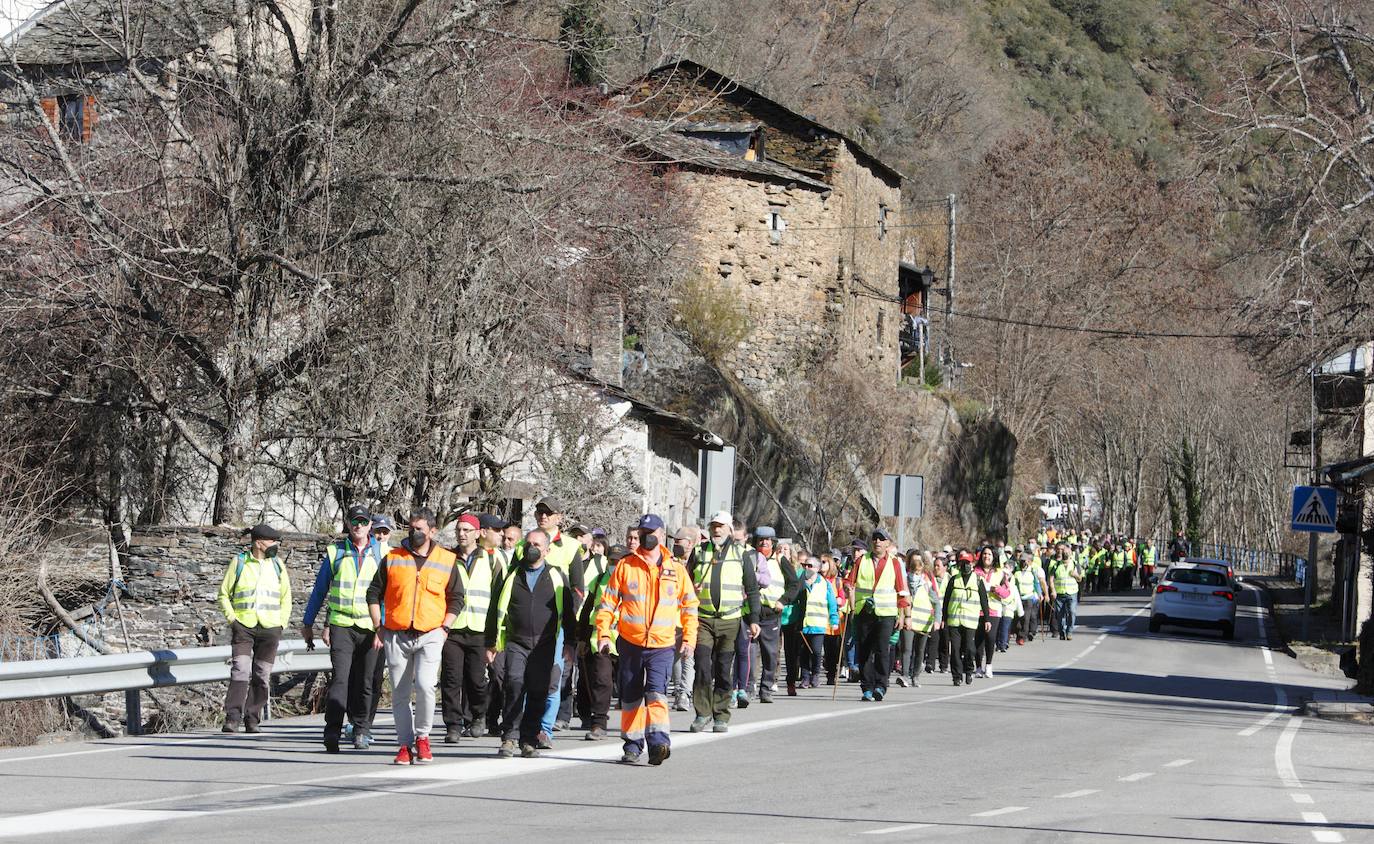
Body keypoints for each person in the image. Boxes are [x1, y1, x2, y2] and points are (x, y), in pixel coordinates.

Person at [595, 513, 699, 766]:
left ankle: (658, 743)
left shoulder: (676, 569)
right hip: (630, 642)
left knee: (656, 694)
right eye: (642, 533)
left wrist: (689, 639)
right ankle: (632, 745)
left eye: (651, 533)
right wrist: (604, 635)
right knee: (630, 697)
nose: (646, 537)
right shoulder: (626, 565)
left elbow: (689, 607)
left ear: (662, 534)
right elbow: (608, 603)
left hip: (662, 645)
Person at [365, 508, 464, 766]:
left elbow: (457, 598)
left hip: (431, 633)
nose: (414, 532)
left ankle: (423, 737)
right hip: (397, 634)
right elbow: (373, 593)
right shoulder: (393, 558)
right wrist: (379, 626)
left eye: (419, 528)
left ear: (432, 531)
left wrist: (445, 628)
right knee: (400, 693)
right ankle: (404, 745)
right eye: (411, 527)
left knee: (425, 686)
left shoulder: (446, 560)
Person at [486, 528, 575, 759]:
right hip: (516, 642)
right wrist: (490, 643)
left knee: (538, 690)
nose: (531, 548)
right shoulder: (512, 575)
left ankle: (529, 739)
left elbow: (568, 613)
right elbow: (495, 608)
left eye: (537, 544)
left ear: (546, 550)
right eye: (528, 543)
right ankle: (509, 737)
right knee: (514, 685)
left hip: (545, 644)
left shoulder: (556, 576)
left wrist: (571, 643)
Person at [301, 504, 384, 752]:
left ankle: (361, 730)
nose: (358, 526)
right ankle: (332, 732)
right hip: (342, 624)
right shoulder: (336, 552)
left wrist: (384, 626)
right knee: (341, 679)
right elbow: (319, 590)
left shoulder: (382, 553)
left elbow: (389, 594)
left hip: (371, 627)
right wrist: (308, 623)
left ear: (370, 525)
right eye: (354, 522)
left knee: (366, 681)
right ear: (348, 524)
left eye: (363, 522)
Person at [687, 511, 760, 732]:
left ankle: (721, 714)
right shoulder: (699, 552)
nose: (716, 530)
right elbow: (685, 583)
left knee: (722, 668)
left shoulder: (741, 554)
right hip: (704, 619)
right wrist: (692, 589)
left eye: (720, 526)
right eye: (713, 526)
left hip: (730, 620)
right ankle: (702, 712)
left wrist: (754, 620)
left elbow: (752, 589)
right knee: (701, 665)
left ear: (729, 529)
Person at [218, 523, 291, 734]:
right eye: (272, 541)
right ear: (258, 543)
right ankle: (232, 718)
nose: (275, 545)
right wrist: (233, 620)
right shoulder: (239, 562)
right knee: (240, 670)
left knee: (262, 674)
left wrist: (281, 623)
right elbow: (223, 594)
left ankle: (253, 718)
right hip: (244, 627)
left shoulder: (277, 565)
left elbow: (286, 597)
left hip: (270, 628)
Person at [440, 513, 497, 744]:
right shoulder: (446, 558)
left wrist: (495, 635)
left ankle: (478, 716)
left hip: (480, 628)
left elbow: (498, 598)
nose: (462, 534)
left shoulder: (492, 559)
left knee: (476, 680)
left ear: (477, 533)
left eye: (466, 530)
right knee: (451, 679)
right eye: (459, 530)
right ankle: (453, 725)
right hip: (452, 628)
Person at [843, 528, 910, 702]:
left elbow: (901, 590)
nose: (877, 542)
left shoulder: (895, 563)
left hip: (886, 613)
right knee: (864, 650)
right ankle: (867, 687)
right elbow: (849, 581)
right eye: (875, 539)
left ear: (888, 543)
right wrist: (847, 587)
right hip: (864, 611)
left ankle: (881, 685)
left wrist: (903, 615)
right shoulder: (861, 561)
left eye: (881, 539)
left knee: (882, 650)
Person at [578, 545, 630, 741]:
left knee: (629, 684)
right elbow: (587, 610)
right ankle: (599, 723)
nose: (614, 566)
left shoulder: (634, 581)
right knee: (601, 681)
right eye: (611, 562)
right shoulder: (599, 580)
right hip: (600, 640)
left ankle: (633, 724)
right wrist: (582, 638)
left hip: (628, 640)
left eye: (618, 562)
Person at [746, 525, 797, 704]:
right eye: (761, 540)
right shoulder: (748, 558)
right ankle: (748, 687)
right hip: (750, 612)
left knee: (770, 653)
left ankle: (766, 688)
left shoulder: (780, 560)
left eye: (767, 541)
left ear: (773, 543)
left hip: (771, 613)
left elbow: (795, 585)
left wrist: (783, 600)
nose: (764, 543)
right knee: (749, 652)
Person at [942, 551, 989, 686]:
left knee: (969, 649)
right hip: (954, 620)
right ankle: (956, 676)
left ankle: (969, 670)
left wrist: (986, 619)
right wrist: (944, 618)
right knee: (955, 650)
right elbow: (946, 600)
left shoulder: (978, 581)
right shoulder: (953, 580)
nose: (965, 565)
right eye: (963, 563)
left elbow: (984, 601)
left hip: (970, 621)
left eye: (968, 563)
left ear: (972, 564)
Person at [895, 553, 939, 688]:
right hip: (909, 621)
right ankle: (905, 676)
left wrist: (937, 619)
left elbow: (936, 602)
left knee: (920, 650)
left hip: (923, 622)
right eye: (914, 571)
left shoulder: (926, 585)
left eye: (918, 571)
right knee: (906, 648)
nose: (916, 574)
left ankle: (916, 676)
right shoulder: (904, 582)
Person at [669, 524, 701, 712]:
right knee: (674, 658)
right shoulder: (670, 562)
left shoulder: (698, 561)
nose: (675, 545)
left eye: (678, 542)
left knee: (687, 656)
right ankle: (678, 690)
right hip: (672, 617)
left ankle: (684, 693)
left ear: (689, 544)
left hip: (690, 615)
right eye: (674, 542)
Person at [1047, 543, 1083, 640]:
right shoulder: (1057, 564)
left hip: (1072, 592)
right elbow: (1051, 578)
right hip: (1059, 593)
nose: (1065, 553)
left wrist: (1076, 575)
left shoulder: (1075, 564)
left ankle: (1070, 631)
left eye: (1067, 552)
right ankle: (1062, 632)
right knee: (1059, 614)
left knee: (1072, 612)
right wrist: (1053, 590)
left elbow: (1080, 579)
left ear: (1071, 553)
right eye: (1064, 552)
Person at [819, 555, 846, 685]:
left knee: (833, 650)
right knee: (822, 649)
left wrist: (838, 601)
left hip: (834, 621)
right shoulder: (816, 580)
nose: (821, 564)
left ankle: (832, 674)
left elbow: (842, 598)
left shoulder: (837, 581)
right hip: (819, 619)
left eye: (824, 562)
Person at [925, 552, 951, 674]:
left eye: (938, 566)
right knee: (933, 638)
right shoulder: (930, 579)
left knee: (944, 640)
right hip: (933, 613)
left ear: (945, 567)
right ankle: (930, 663)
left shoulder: (950, 579)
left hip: (945, 613)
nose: (935, 568)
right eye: (934, 565)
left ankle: (944, 664)